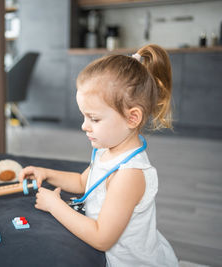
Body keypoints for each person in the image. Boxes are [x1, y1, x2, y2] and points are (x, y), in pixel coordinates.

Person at [18, 44, 179, 266]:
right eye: (84, 117)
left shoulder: (129, 175)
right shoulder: (108, 148)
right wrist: (46, 173)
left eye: (94, 119)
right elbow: (84, 181)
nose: (85, 126)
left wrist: (55, 205)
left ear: (132, 118)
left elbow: (102, 238)